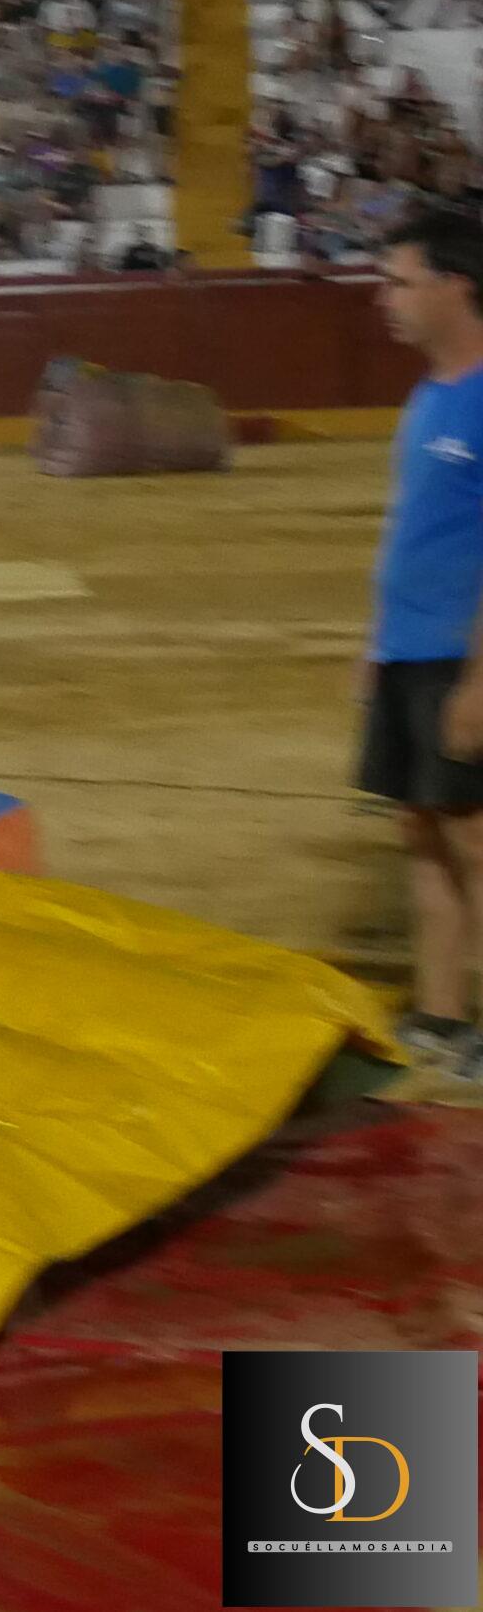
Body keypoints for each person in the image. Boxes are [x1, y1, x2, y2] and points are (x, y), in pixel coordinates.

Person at [360, 210, 483, 1077]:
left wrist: (481, 681)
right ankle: (440, 1017)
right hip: (410, 650)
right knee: (423, 832)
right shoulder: (428, 397)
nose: (385, 299)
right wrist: (377, 645)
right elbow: (410, 530)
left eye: (400, 282)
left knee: (475, 839)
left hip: (460, 656)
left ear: (455, 286)